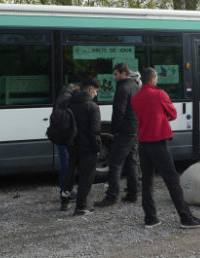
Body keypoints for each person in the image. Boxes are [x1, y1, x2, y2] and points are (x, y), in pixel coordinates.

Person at [131, 67, 200, 229]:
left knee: (147, 181)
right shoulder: (160, 94)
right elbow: (172, 114)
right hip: (159, 142)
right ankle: (185, 217)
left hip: (143, 143)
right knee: (172, 180)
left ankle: (150, 218)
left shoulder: (135, 98)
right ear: (153, 79)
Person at [96, 63, 141, 208]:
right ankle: (133, 194)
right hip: (134, 129)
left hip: (124, 131)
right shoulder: (135, 86)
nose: (114, 77)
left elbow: (119, 112)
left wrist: (114, 130)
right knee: (132, 162)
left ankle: (112, 196)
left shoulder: (122, 88)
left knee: (115, 163)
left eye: (116, 74)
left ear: (123, 73)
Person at [64, 77, 102, 216]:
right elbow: (95, 131)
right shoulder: (92, 107)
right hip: (87, 148)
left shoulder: (69, 102)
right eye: (96, 91)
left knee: (72, 172)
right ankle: (81, 206)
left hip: (72, 145)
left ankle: (65, 199)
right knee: (86, 177)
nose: (96, 94)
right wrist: (97, 149)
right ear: (90, 89)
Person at [54, 83, 76, 211]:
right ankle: (66, 194)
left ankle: (64, 192)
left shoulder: (60, 99)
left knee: (64, 165)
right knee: (67, 167)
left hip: (59, 137)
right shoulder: (68, 100)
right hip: (66, 139)